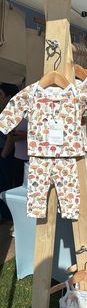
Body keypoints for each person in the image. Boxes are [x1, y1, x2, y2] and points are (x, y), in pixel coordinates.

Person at [0, 83, 27, 221]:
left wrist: (3, 154)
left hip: (16, 156)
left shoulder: (17, 113)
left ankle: (8, 217)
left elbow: (11, 137)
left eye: (1, 95)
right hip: (15, 156)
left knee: (10, 186)